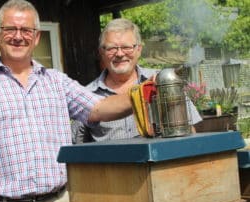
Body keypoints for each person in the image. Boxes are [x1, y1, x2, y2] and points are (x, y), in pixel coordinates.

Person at [0, 1, 134, 202]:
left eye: (26, 30)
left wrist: (146, 92)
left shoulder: (57, 82)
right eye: (10, 29)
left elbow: (100, 108)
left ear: (36, 37)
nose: (18, 36)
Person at [72, 18, 202, 144]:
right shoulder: (86, 95)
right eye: (112, 48)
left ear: (139, 49)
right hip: (113, 166)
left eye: (126, 47)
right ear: (101, 52)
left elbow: (189, 130)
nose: (119, 54)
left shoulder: (163, 81)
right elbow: (77, 145)